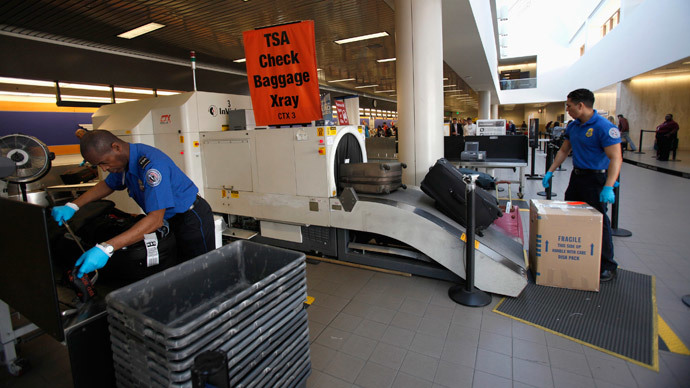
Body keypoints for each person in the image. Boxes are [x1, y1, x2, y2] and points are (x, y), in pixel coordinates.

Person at [51, 130, 215, 278]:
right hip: (169, 221)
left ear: (116, 147)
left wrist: (107, 248)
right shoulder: (124, 162)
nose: (105, 168)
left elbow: (155, 220)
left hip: (190, 219)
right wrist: (73, 205)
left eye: (104, 163)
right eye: (99, 166)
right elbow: (108, 185)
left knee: (200, 271)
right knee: (179, 272)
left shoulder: (151, 167)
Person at [542, 88, 622, 282]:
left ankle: (608, 265)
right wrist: (550, 170)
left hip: (596, 180)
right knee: (572, 217)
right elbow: (563, 151)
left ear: (581, 105)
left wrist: (609, 186)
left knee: (599, 221)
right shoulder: (573, 126)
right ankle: (578, 256)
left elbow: (616, 158)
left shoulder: (604, 127)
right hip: (577, 178)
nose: (567, 109)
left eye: (569, 106)